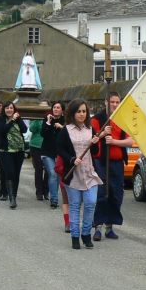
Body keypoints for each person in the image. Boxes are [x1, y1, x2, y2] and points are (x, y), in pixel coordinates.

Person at [57, 99, 102, 250]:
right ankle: (75, 236)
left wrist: (95, 143)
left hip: (90, 173)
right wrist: (71, 159)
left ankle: (86, 233)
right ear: (73, 113)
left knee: (90, 203)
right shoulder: (66, 130)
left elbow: (95, 153)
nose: (82, 114)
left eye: (84, 111)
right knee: (75, 206)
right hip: (73, 174)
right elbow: (60, 149)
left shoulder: (90, 129)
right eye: (79, 111)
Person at [91, 92, 133, 241]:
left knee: (116, 194)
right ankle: (98, 226)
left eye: (117, 102)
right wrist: (103, 134)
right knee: (101, 194)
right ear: (106, 102)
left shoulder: (122, 120)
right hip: (101, 162)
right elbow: (92, 140)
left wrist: (114, 141)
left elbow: (130, 141)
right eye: (112, 102)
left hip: (117, 162)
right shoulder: (97, 119)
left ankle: (110, 226)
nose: (115, 104)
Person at [0, 101, 27, 209]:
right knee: (10, 173)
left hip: (19, 151)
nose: (9, 110)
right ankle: (11, 198)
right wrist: (11, 120)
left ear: (14, 109)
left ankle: (14, 196)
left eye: (11, 108)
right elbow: (2, 131)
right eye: (7, 108)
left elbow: (24, 130)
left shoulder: (18, 118)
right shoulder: (0, 120)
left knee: (16, 174)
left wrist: (18, 119)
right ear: (4, 110)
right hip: (6, 151)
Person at [41, 101, 69, 230]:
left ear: (62, 110)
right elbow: (43, 133)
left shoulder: (66, 121)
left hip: (61, 154)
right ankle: (54, 199)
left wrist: (61, 127)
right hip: (47, 153)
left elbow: (70, 136)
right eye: (54, 107)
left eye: (58, 107)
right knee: (52, 174)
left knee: (59, 175)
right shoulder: (47, 119)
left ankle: (61, 197)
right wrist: (48, 122)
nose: (56, 109)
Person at [28, 112, 48, 200]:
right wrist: (37, 118)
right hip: (36, 146)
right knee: (39, 169)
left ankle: (46, 191)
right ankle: (39, 192)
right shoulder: (34, 118)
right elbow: (32, 129)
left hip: (48, 147)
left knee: (49, 170)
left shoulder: (50, 117)